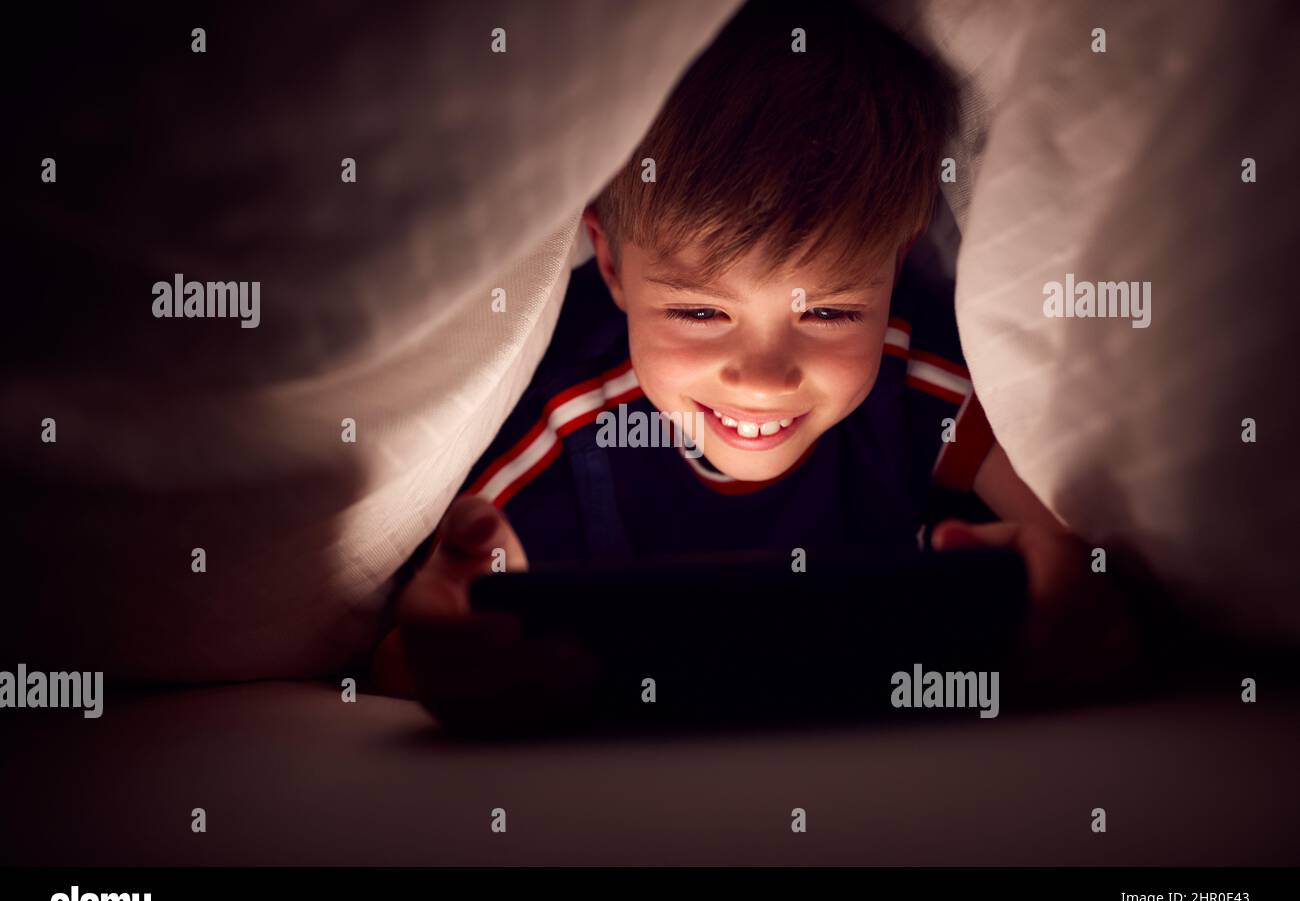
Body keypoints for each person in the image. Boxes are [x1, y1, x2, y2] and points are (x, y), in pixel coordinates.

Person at [371, 0, 1138, 727]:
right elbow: (407, 653)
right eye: (700, 312)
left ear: (895, 265)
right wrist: (453, 654)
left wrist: (1071, 590)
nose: (764, 378)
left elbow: (1083, 552)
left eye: (831, 312)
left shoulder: (916, 380)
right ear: (610, 267)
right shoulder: (564, 427)